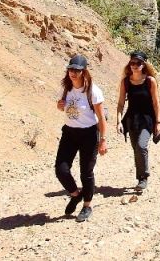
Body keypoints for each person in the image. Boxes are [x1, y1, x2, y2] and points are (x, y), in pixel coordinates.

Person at [55, 54, 108, 222]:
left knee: (86, 172)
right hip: (69, 133)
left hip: (89, 134)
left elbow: (101, 118)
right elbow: (62, 106)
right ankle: (76, 194)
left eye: (77, 70)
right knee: (61, 170)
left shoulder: (93, 91)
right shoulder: (66, 87)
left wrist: (103, 140)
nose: (73, 73)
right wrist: (59, 105)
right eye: (71, 69)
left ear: (84, 72)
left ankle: (87, 205)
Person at [115, 51, 160, 191]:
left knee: (141, 146)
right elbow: (121, 103)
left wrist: (158, 123)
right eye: (132, 63)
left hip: (147, 119)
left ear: (144, 64)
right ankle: (140, 178)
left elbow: (156, 103)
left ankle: (144, 177)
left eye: (138, 63)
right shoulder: (126, 82)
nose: (135, 65)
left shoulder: (150, 81)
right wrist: (118, 121)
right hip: (131, 119)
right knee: (136, 149)